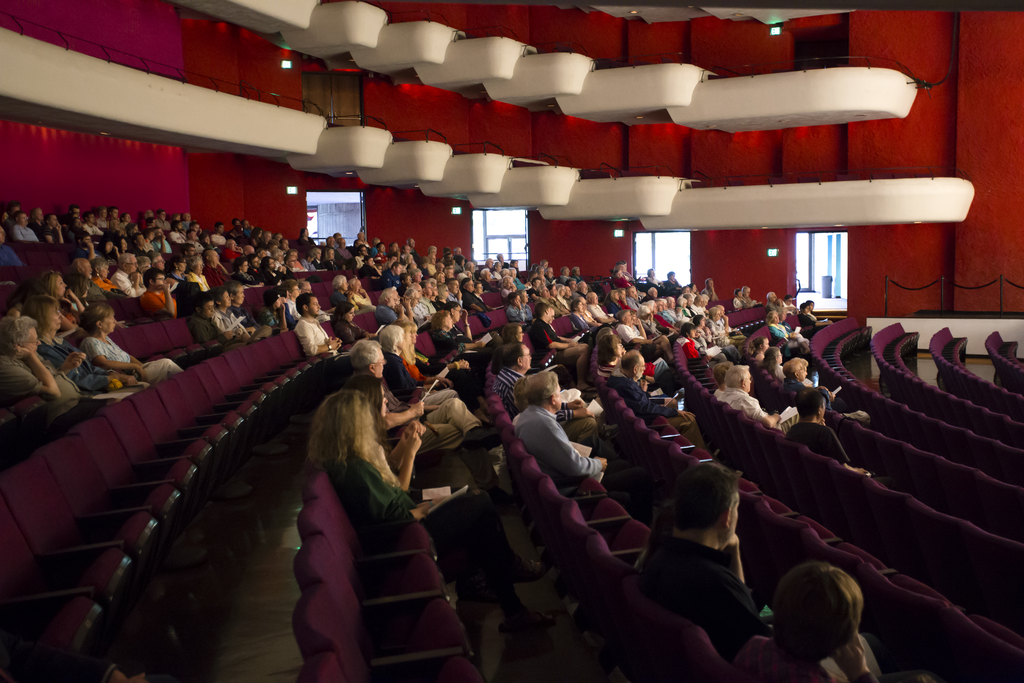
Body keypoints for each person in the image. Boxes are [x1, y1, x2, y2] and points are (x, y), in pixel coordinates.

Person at [309, 388, 551, 631]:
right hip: (403, 540)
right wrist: (424, 503)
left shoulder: (346, 460)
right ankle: (508, 579)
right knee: (480, 503)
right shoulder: (355, 468)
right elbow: (397, 513)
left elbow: (390, 503)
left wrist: (428, 504)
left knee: (474, 508)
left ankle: (507, 602)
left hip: (400, 528)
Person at [640, 463, 771, 661]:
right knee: (774, 610)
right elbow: (763, 645)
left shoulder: (656, 558)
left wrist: (734, 552)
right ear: (726, 517)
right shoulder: (718, 586)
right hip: (744, 664)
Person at [734, 562, 943, 683]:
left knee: (871, 641)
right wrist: (859, 674)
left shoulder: (753, 646)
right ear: (840, 640)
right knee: (927, 678)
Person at [346, 342, 503, 494]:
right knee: (461, 432)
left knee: (453, 404)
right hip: (402, 435)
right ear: (372, 367)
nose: (385, 364)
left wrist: (422, 408)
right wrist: (413, 412)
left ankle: (475, 430)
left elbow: (395, 406)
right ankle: (489, 486)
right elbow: (384, 422)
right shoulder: (363, 389)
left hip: (411, 419)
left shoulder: (372, 381)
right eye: (382, 361)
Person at [515, 372, 655, 523]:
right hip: (572, 486)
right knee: (641, 476)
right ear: (552, 398)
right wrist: (598, 464)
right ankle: (642, 530)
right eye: (558, 391)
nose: (560, 395)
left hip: (560, 475)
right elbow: (575, 467)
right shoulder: (546, 426)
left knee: (622, 464)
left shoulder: (527, 415)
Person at [0, 316, 103, 432]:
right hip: (57, 416)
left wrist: (64, 369)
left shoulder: (27, 356)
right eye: (35, 341)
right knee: (112, 408)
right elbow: (53, 391)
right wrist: (30, 356)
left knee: (117, 403)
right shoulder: (7, 367)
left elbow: (49, 378)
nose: (39, 343)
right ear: (17, 346)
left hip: (74, 402)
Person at [24, 295, 138, 393]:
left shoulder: (60, 342)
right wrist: (109, 379)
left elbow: (88, 366)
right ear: (42, 317)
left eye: (59, 312)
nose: (61, 316)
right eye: (55, 313)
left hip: (97, 387)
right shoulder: (41, 348)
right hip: (86, 394)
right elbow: (73, 379)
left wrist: (110, 373)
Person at [492, 342, 597, 441]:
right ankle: (589, 453)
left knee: (578, 405)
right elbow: (539, 416)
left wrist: (567, 406)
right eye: (528, 355)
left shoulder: (505, 375)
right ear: (519, 361)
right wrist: (573, 414)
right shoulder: (514, 385)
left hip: (527, 425)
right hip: (533, 433)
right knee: (588, 422)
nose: (531, 357)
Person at [607, 351, 707, 451]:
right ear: (635, 369)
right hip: (648, 423)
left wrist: (643, 392)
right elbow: (644, 408)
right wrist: (673, 412)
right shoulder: (625, 386)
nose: (644, 369)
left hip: (645, 415)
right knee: (689, 419)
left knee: (675, 407)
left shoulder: (620, 377)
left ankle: (684, 447)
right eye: (643, 366)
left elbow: (639, 402)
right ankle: (700, 456)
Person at [79, 304, 182, 384]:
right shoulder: (90, 341)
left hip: (134, 372)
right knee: (167, 364)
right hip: (122, 378)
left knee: (166, 364)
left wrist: (141, 367)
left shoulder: (107, 339)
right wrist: (134, 367)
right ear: (99, 324)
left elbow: (128, 356)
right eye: (111, 318)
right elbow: (103, 363)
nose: (114, 321)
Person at [529, 303, 591, 389]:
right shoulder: (538, 326)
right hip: (554, 354)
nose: (553, 318)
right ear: (546, 311)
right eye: (552, 315)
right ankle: (581, 382)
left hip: (558, 350)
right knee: (584, 349)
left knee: (584, 345)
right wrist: (568, 345)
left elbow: (556, 337)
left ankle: (586, 378)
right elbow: (551, 344)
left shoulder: (545, 324)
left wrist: (568, 340)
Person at [720, 364, 797, 432]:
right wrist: (776, 417)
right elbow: (769, 423)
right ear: (743, 383)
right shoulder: (745, 401)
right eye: (749, 379)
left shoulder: (721, 397)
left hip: (743, 434)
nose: (750, 382)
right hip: (772, 432)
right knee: (799, 414)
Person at [782, 358, 850, 413]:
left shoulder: (786, 385)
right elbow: (819, 404)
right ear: (797, 374)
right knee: (840, 402)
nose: (806, 373)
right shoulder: (801, 389)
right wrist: (828, 399)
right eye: (805, 371)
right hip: (814, 411)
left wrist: (816, 389)